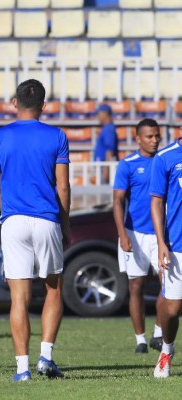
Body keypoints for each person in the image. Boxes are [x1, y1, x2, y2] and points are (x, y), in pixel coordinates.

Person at [0, 79, 70, 381]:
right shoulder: (57, 136)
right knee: (53, 287)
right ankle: (45, 356)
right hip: (47, 217)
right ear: (44, 105)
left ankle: (22, 369)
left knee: (18, 297)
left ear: (13, 102)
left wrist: (8, 211)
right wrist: (66, 223)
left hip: (14, 220)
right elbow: (62, 185)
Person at [113, 118, 163, 354]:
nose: (154, 140)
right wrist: (122, 233)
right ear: (138, 139)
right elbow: (117, 200)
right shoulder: (128, 164)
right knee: (136, 286)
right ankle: (140, 340)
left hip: (162, 234)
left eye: (157, 136)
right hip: (135, 233)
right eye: (150, 136)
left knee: (169, 284)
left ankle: (160, 332)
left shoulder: (166, 161)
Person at [150, 134, 182, 379]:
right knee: (172, 309)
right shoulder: (165, 157)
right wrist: (161, 242)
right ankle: (167, 350)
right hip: (176, 244)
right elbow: (157, 202)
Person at [94, 103, 118, 183]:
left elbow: (109, 150)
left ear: (104, 114)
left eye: (98, 114)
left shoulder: (108, 129)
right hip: (102, 166)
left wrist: (106, 170)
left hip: (104, 167)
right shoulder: (107, 128)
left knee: (104, 193)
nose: (97, 116)